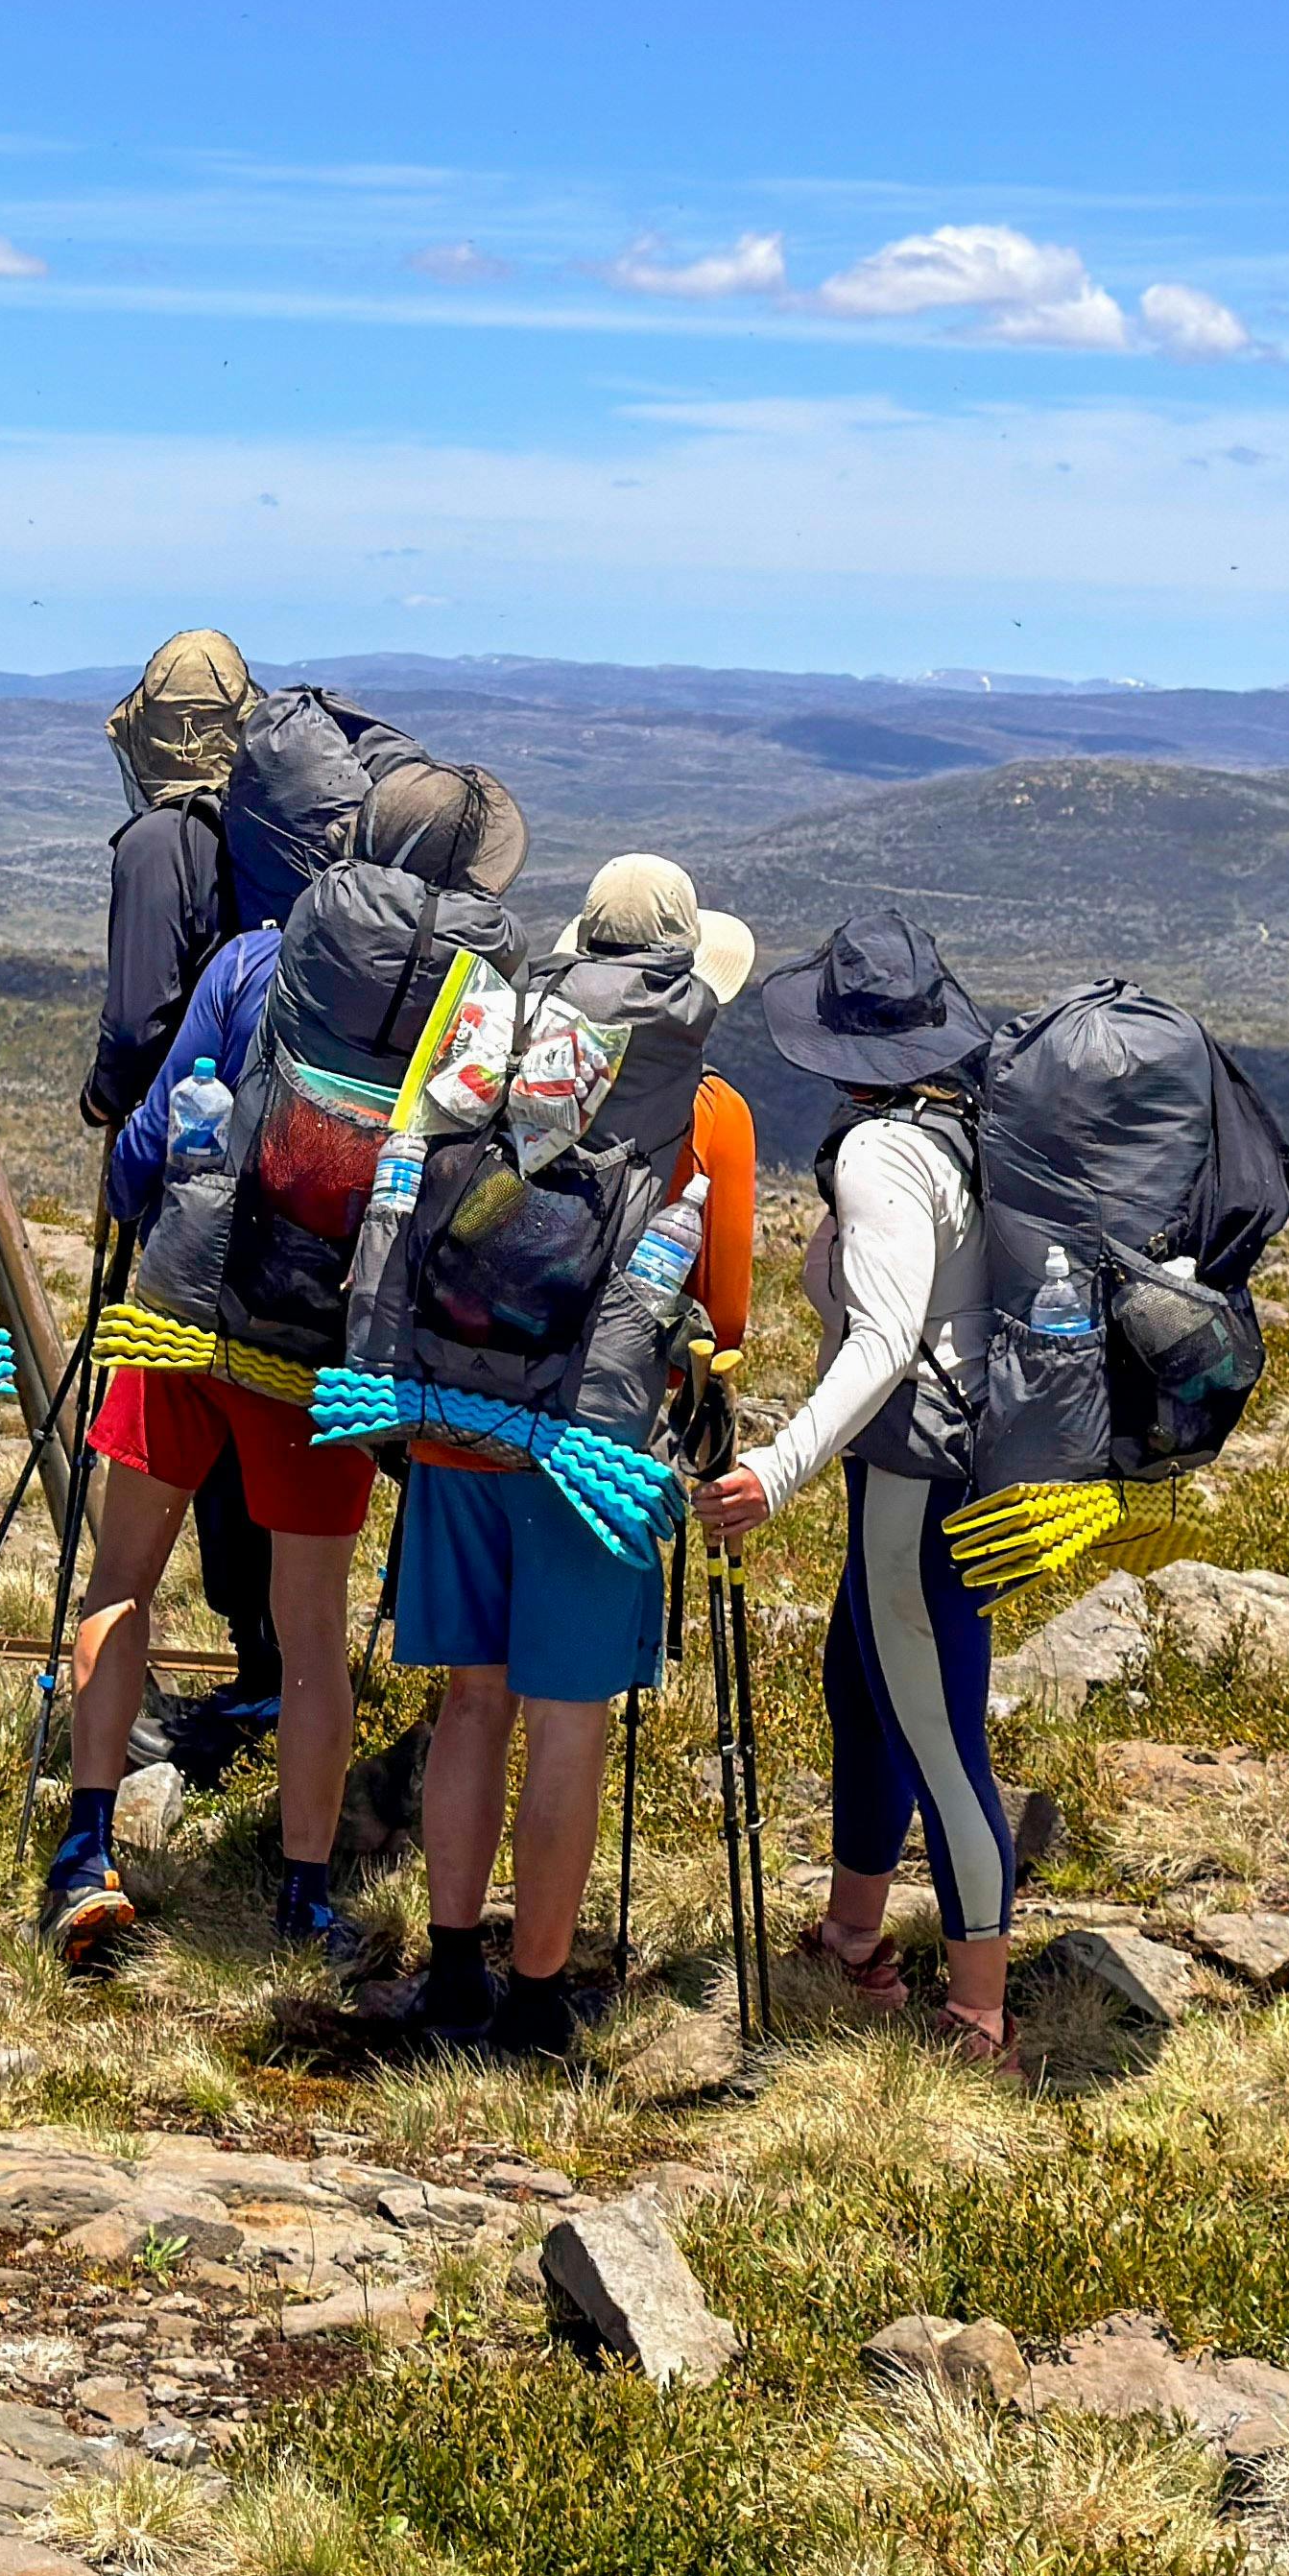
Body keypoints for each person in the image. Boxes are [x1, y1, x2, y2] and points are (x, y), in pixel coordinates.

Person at [50, 750, 526, 1972]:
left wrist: (140, 1208)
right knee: (311, 1635)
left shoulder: (259, 958)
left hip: (184, 1317)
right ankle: (304, 1898)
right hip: (322, 1356)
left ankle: (89, 1851)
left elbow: (153, 1133)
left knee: (120, 1582)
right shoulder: (479, 1006)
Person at [388, 861, 757, 2054]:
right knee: (566, 1723)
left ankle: (450, 1972)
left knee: (468, 1700)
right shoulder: (703, 1104)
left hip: (461, 1422)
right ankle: (538, 1995)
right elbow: (727, 1308)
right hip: (596, 1456)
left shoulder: (495, 1058)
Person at [701, 910, 1018, 2063]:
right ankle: (851, 1930)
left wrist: (774, 1469)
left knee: (935, 1729)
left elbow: (882, 1338)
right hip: (951, 1458)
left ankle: (977, 2013)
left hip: (912, 1471)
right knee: (863, 1681)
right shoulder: (963, 1128)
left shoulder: (884, 1154)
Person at [81, 628, 286, 1777]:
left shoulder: (160, 838)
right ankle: (271, 1668)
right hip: (277, 1169)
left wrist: (114, 1107)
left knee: (179, 1412)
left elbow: (134, 1020)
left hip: (185, 1166)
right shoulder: (264, 834)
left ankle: (229, 1666)